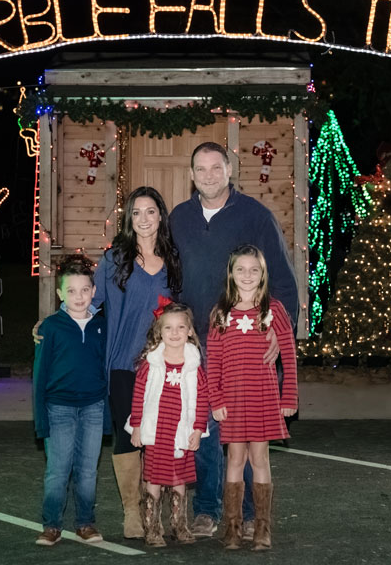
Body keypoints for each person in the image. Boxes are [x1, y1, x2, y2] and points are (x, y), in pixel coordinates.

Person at [169, 142, 299, 537]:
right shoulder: (179, 218)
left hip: (245, 344)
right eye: (201, 169)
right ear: (191, 175)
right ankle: (208, 509)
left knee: (243, 432)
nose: (209, 175)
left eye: (216, 167)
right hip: (196, 343)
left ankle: (247, 515)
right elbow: (169, 277)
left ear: (229, 170)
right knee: (205, 431)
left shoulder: (256, 216)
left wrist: (280, 329)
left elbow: (282, 279)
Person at [92, 186, 183, 539]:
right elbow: (89, 302)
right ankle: (132, 511)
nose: (143, 219)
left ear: (161, 215)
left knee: (160, 440)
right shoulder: (114, 259)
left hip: (161, 366)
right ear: (129, 219)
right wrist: (56, 323)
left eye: (150, 211)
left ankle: (153, 510)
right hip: (122, 365)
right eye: (136, 213)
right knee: (129, 436)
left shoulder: (174, 261)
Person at [207, 245, 298, 550]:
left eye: (254, 270)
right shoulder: (220, 314)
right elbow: (214, 362)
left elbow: (289, 354)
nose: (247, 275)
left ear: (263, 275)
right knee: (234, 458)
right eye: (240, 269)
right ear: (231, 274)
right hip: (232, 401)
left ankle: (262, 528)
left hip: (263, 398)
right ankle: (232, 527)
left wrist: (289, 398)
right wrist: (216, 400)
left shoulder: (274, 311)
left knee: (259, 459)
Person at [32, 255, 107, 547]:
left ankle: (85, 523)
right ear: (60, 294)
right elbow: (39, 376)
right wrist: (41, 418)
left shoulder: (102, 327)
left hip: (93, 408)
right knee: (58, 470)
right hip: (58, 408)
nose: (79, 297)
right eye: (71, 291)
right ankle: (51, 525)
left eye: (85, 290)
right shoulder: (50, 328)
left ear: (93, 291)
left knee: (88, 470)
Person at [128, 302, 208, 547]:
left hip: (181, 432)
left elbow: (202, 398)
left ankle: (179, 525)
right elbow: (139, 396)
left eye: (181, 327)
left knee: (178, 478)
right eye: (169, 328)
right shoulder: (150, 365)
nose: (175, 333)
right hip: (156, 431)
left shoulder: (195, 366)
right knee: (153, 479)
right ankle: (152, 528)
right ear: (159, 332)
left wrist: (197, 428)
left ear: (190, 331)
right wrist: (137, 426)